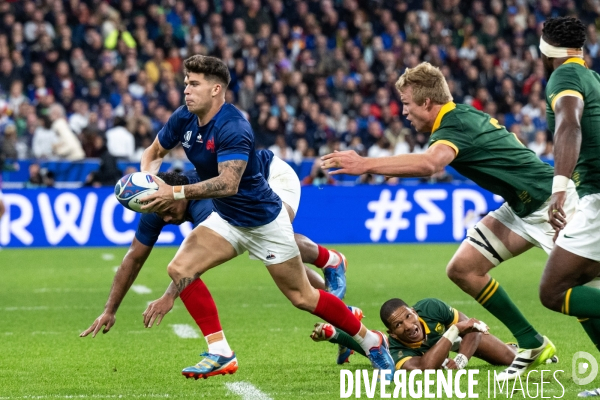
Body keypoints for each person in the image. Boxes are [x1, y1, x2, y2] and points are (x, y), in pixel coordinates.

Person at [136, 55, 395, 379]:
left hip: (262, 220)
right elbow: (153, 152)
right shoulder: (184, 118)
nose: (186, 89)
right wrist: (147, 180)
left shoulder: (233, 126)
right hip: (227, 218)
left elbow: (227, 183)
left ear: (216, 89)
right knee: (180, 268)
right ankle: (220, 352)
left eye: (194, 83)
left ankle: (372, 341)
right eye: (186, 82)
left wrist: (172, 192)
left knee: (303, 297)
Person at [321, 61, 579, 380]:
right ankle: (532, 342)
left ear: (427, 103)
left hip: (552, 203)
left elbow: (431, 164)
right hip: (522, 205)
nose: (404, 113)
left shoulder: (453, 124)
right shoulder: (458, 118)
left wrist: (365, 164)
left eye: (406, 104)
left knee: (582, 289)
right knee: (464, 268)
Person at [80, 153, 351, 369]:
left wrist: (169, 296)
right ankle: (343, 313)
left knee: (272, 233)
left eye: (165, 210)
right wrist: (110, 309)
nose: (164, 219)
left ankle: (331, 259)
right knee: (273, 254)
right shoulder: (157, 204)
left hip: (272, 174)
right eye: (157, 212)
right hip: (245, 202)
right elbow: (133, 258)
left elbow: (195, 263)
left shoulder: (204, 204)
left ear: (176, 190)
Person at [536, 17, 600, 398]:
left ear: (546, 49)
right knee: (580, 285)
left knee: (553, 291)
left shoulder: (564, 78)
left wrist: (559, 188)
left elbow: (569, 124)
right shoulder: (593, 78)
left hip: (596, 194)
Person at [310, 297, 555, 371]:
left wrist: (460, 361)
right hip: (430, 351)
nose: (407, 325)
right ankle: (336, 334)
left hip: (451, 345)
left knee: (511, 359)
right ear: (392, 332)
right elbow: (427, 366)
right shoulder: (394, 348)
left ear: (415, 312)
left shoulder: (431, 308)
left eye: (408, 316)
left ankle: (513, 347)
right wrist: (331, 332)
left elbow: (471, 326)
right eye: (398, 325)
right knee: (375, 350)